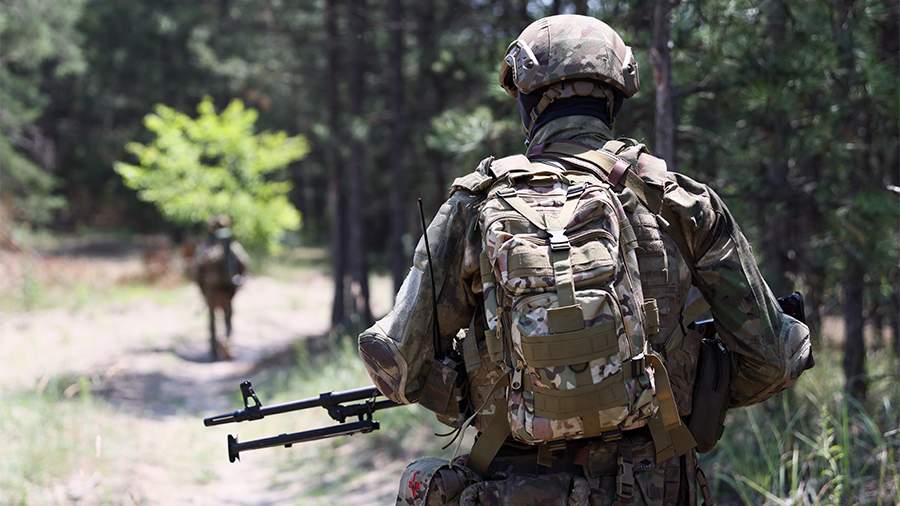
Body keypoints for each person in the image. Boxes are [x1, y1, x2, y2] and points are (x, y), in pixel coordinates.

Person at [359, 14, 813, 505]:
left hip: (512, 487)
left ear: (527, 104)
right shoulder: (681, 203)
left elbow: (399, 365)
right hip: (656, 487)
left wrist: (477, 390)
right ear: (614, 98)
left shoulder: (475, 206)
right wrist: (689, 382)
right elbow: (771, 362)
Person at [192, 215, 249, 361]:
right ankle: (224, 347)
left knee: (215, 319)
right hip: (223, 289)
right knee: (226, 318)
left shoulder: (208, 248)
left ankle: (217, 349)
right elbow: (244, 264)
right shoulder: (231, 247)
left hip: (214, 289)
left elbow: (197, 272)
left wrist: (202, 289)